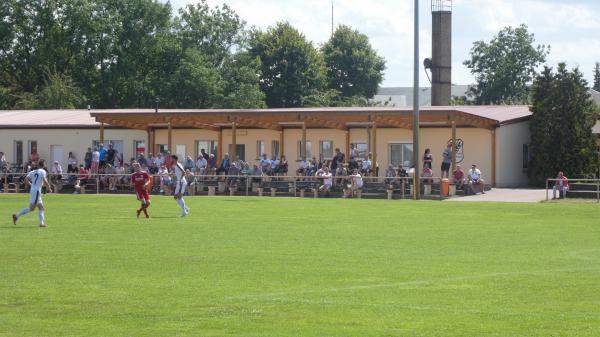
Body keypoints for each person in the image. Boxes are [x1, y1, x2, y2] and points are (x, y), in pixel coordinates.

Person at [12, 160, 52, 227]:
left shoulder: (33, 172)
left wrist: (31, 185)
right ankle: (16, 216)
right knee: (32, 208)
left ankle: (41, 223)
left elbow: (25, 179)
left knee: (41, 207)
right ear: (44, 165)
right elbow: (45, 181)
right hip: (37, 191)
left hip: (34, 191)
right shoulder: (43, 171)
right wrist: (49, 188)